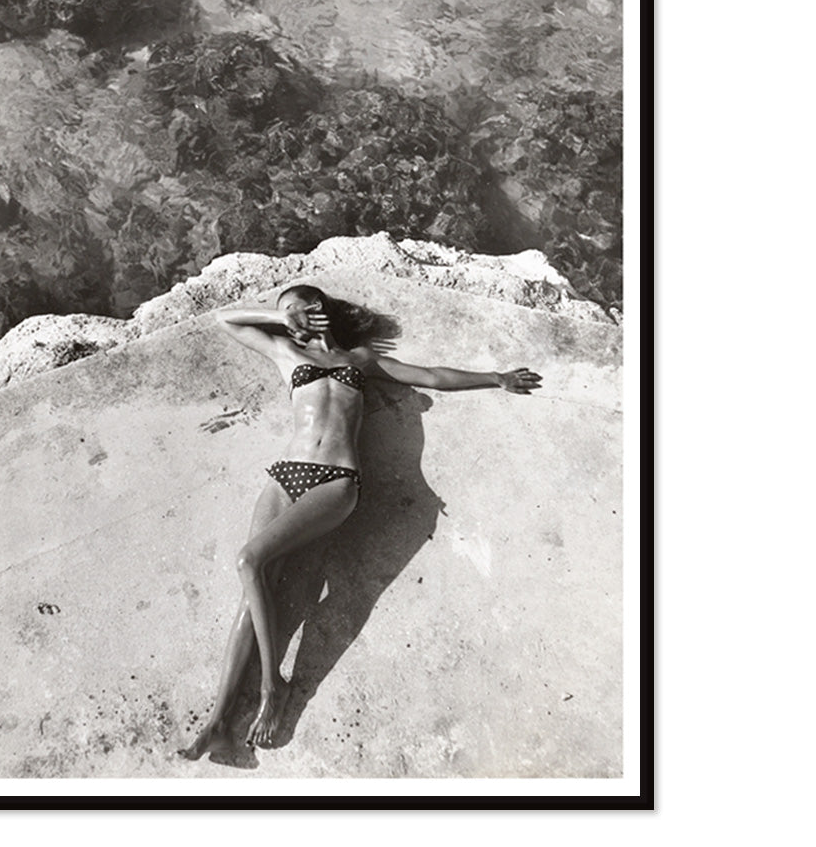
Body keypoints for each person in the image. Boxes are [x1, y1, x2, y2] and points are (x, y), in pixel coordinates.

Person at [177, 283, 542, 759]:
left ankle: (272, 687)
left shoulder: (361, 360)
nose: (287, 317)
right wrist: (278, 319)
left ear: (318, 308)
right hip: (286, 475)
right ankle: (217, 721)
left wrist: (495, 378)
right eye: (281, 312)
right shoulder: (284, 349)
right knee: (252, 593)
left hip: (336, 481)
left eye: (295, 308)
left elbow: (431, 376)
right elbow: (225, 319)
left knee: (249, 561)